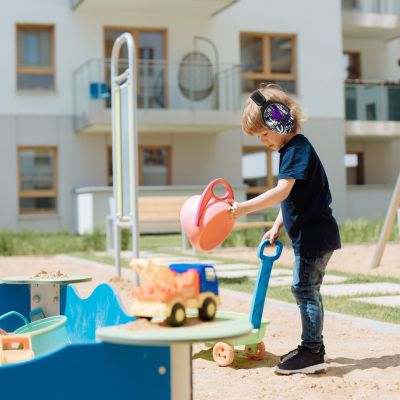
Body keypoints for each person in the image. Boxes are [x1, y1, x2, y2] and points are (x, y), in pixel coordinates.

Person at [228, 83, 341, 375]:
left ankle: (312, 350)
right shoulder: (292, 149)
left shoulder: (296, 149)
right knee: (308, 289)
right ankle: (313, 347)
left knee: (304, 289)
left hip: (314, 235)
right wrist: (278, 225)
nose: (263, 140)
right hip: (313, 234)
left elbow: (281, 191)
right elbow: (291, 197)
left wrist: (243, 208)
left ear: (280, 119)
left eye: (265, 133)